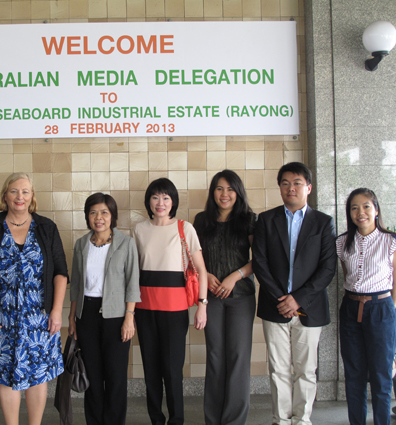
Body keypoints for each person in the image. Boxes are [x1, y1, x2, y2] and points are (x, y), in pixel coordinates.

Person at [0, 172, 68, 425]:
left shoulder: (47, 228)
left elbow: (60, 273)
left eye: (25, 191)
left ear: (32, 196)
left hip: (40, 317)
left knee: (38, 375)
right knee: (7, 375)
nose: (20, 196)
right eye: (14, 191)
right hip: (0, 318)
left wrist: (56, 311)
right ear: (5, 195)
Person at [252, 162, 337, 425]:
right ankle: (281, 419)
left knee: (306, 370)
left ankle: (302, 420)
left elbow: (328, 267)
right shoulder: (266, 219)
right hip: (274, 305)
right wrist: (282, 298)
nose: (291, 187)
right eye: (285, 183)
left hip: (309, 306)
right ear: (279, 188)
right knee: (278, 369)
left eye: (297, 182)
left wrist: (297, 298)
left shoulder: (323, 222)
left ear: (308, 188)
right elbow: (260, 263)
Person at [133, 177, 208, 425]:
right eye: (155, 197)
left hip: (175, 310)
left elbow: (201, 270)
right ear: (148, 201)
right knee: (151, 371)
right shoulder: (139, 229)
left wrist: (202, 306)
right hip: (145, 309)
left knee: (173, 371)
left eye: (166, 197)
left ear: (173, 201)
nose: (160, 202)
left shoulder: (185, 229)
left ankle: (176, 420)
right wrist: (130, 313)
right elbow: (134, 273)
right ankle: (156, 419)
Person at [68, 192, 141, 425]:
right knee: (92, 374)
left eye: (104, 212)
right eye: (93, 212)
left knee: (116, 375)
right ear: (87, 216)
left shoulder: (126, 243)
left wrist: (129, 317)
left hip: (116, 315)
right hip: (86, 314)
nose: (98, 217)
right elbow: (76, 285)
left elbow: (132, 283)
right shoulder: (81, 245)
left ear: (112, 216)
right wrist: (72, 318)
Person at [193, 170, 257, 425]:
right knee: (216, 356)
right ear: (213, 192)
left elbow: (258, 259)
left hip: (241, 297)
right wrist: (205, 275)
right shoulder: (201, 221)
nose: (225, 194)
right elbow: (192, 258)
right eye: (219, 189)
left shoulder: (249, 220)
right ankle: (213, 419)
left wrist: (235, 276)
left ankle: (234, 420)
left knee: (238, 357)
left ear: (238, 192)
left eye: (230, 189)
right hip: (211, 298)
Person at [336, 188, 396, 425]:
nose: (360, 212)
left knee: (381, 376)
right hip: (351, 307)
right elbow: (348, 275)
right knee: (353, 373)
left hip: (381, 308)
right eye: (354, 207)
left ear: (376, 209)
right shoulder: (342, 242)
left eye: (366, 206)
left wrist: (390, 309)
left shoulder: (392, 241)